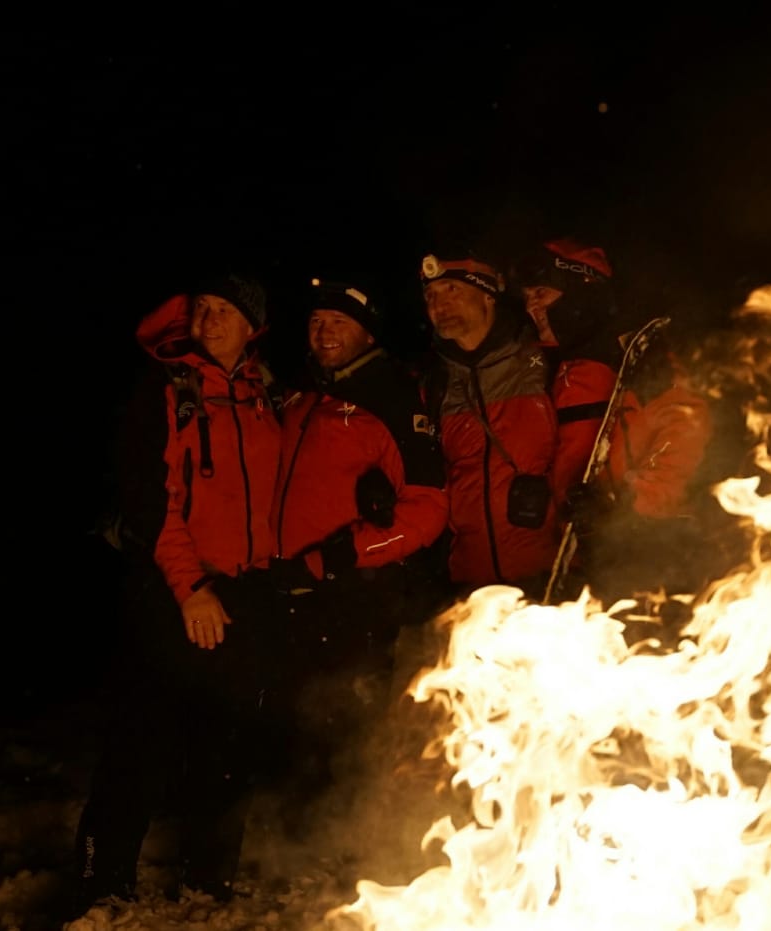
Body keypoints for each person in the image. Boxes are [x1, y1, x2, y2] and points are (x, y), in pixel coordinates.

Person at [66, 273, 282, 912]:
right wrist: (189, 588)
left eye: (225, 311)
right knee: (141, 739)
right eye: (203, 310)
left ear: (253, 325)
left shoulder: (269, 392)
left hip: (244, 592)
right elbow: (147, 500)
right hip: (171, 592)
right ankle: (102, 886)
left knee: (227, 742)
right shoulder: (161, 390)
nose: (210, 321)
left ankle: (207, 880)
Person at [261, 275, 449, 824]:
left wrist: (343, 556)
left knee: (347, 721)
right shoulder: (298, 391)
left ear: (368, 333)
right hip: (282, 583)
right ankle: (289, 837)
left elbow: (429, 509)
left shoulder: (393, 396)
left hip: (355, 590)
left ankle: (349, 844)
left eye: (340, 322)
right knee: (289, 717)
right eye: (317, 321)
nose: (324, 332)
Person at [516, 238, 713, 603]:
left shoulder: (635, 357)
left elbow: (684, 434)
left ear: (580, 291)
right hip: (571, 564)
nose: (531, 306)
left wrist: (623, 503)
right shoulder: (543, 367)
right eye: (527, 295)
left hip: (643, 553)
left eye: (541, 293)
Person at [419, 251, 560, 594]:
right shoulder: (432, 383)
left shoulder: (542, 359)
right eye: (431, 296)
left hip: (552, 577)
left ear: (487, 295)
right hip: (472, 587)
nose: (439, 304)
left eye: (451, 289)